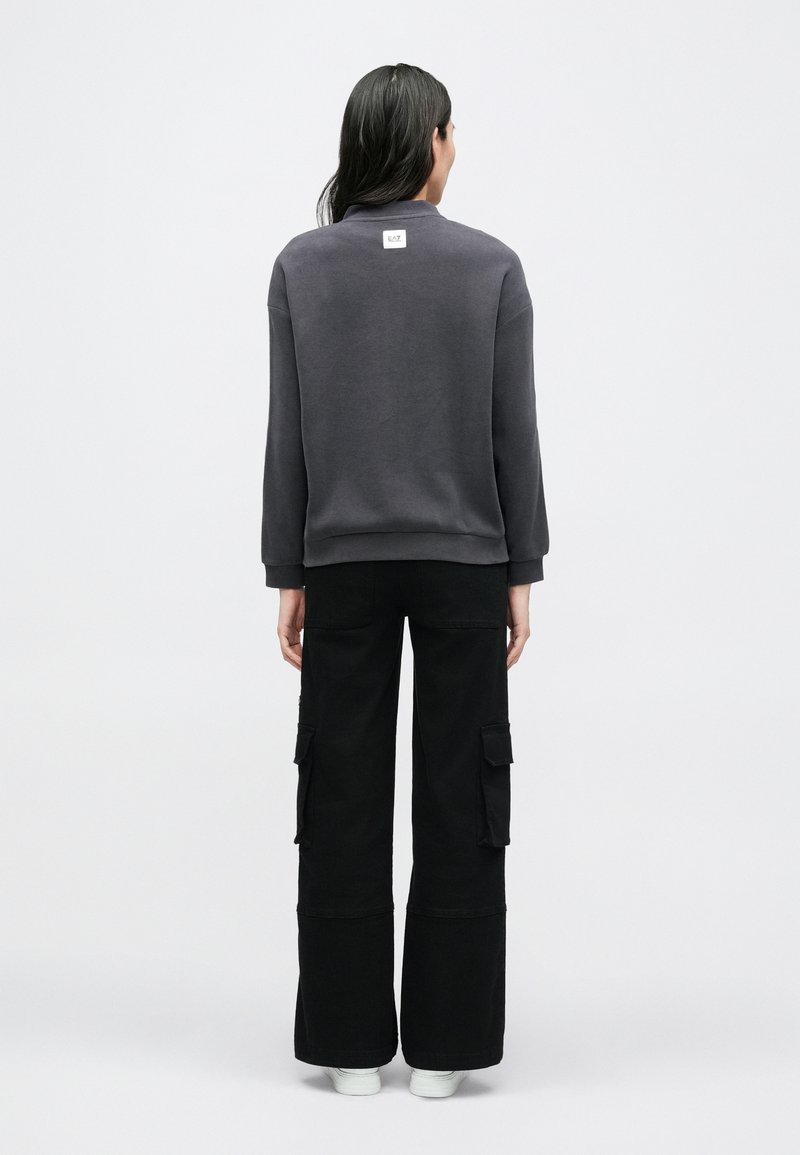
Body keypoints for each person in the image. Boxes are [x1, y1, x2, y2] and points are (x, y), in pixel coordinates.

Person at [261, 63, 549, 1098]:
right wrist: (521, 567)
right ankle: (446, 1048)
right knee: (462, 791)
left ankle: (347, 1046)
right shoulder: (490, 266)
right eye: (450, 131)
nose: (454, 148)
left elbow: (287, 432)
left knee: (340, 789)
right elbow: (513, 429)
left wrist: (287, 569)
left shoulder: (302, 266)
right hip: (466, 561)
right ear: (427, 140)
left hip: (340, 563)